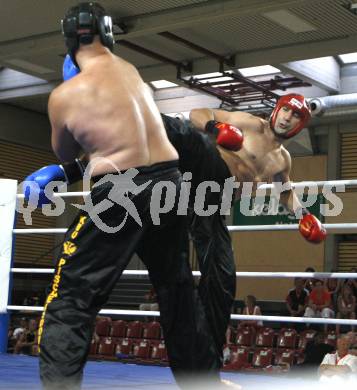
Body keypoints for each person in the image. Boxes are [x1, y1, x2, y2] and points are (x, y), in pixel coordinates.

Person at [23, 3, 207, 389]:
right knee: (176, 290)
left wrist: (69, 92)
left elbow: (65, 153)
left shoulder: (65, 95)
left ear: (68, 41)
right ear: (108, 34)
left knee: (69, 296)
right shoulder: (131, 72)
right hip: (170, 183)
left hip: (123, 189)